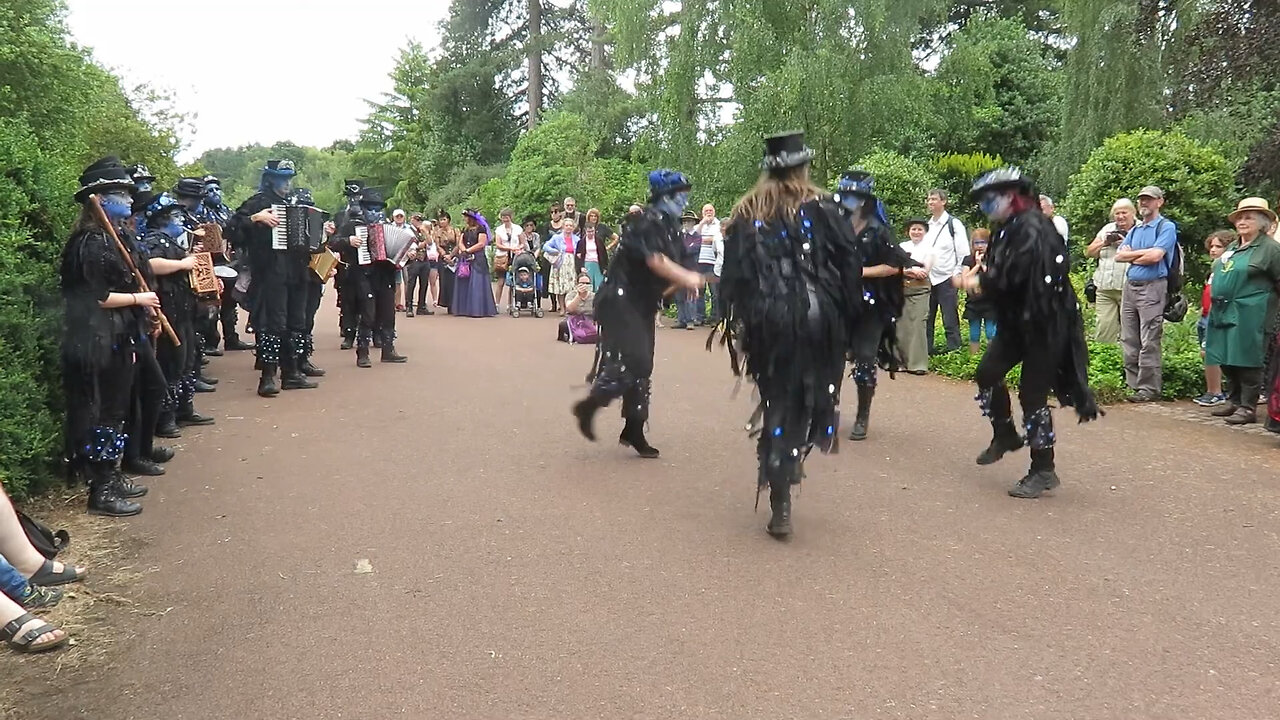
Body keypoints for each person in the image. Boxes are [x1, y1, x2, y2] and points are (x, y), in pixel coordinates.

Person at [712, 132, 864, 538]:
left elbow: (735, 280)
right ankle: (791, 456)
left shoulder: (745, 213)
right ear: (803, 168)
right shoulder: (824, 208)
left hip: (771, 322)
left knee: (777, 401)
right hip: (819, 319)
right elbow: (848, 265)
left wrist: (743, 324)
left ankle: (780, 488)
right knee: (816, 399)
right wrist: (849, 324)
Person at [956, 167, 1099, 499]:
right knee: (987, 373)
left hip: (1048, 323)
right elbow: (1005, 274)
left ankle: (1043, 469)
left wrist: (978, 283)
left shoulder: (1035, 227)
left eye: (990, 199)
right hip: (1018, 322)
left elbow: (1022, 274)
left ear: (1010, 196)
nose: (985, 206)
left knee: (1032, 395)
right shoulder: (1006, 229)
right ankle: (1005, 434)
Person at [572, 169, 703, 459]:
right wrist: (686, 278)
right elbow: (656, 261)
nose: (685, 200)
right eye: (680, 194)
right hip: (619, 299)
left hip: (642, 302)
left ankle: (634, 428)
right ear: (665, 196)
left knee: (643, 367)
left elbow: (672, 264)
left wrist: (684, 279)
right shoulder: (646, 222)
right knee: (637, 361)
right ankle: (590, 405)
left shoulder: (671, 227)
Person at [60, 157, 152, 517]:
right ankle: (100, 489)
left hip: (120, 335)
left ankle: (111, 476)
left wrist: (143, 309)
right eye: (120, 193)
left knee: (116, 408)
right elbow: (96, 297)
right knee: (101, 409)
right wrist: (138, 299)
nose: (129, 200)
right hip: (96, 339)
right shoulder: (89, 243)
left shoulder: (121, 235)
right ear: (99, 199)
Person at [835, 171, 919, 442]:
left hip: (872, 306)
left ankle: (862, 415)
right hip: (839, 303)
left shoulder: (878, 229)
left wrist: (860, 271)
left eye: (854, 195)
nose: (848, 199)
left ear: (864, 200)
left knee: (865, 358)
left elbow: (894, 266)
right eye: (844, 194)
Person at [226, 160, 320, 395]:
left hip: (297, 270)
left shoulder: (294, 204)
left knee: (297, 320)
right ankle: (267, 377)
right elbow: (231, 228)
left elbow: (311, 239)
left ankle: (293, 373)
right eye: (282, 178)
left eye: (289, 178)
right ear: (270, 179)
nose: (287, 183)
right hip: (270, 271)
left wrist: (321, 233)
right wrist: (254, 219)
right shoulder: (258, 202)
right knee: (273, 322)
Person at [136, 193, 217, 439]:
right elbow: (150, 265)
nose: (179, 218)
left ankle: (184, 409)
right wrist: (184, 264)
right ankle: (165, 418)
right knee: (171, 363)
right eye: (174, 215)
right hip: (167, 311)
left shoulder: (171, 240)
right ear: (161, 218)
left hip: (183, 310)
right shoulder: (152, 239)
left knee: (186, 360)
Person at [1204, 199, 1280, 425]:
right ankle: (1233, 399)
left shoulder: (1271, 249)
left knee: (1248, 357)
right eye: (1240, 217)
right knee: (1226, 355)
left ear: (1263, 222)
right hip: (1224, 309)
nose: (1242, 221)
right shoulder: (1233, 248)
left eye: (1249, 217)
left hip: (1252, 311)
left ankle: (1248, 406)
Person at [1114, 186, 1179, 402]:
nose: (1144, 203)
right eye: (1141, 200)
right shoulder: (1135, 230)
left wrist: (1132, 256)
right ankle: (1133, 385)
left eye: (1149, 200)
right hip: (1131, 286)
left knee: (1150, 338)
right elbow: (1118, 256)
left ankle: (1149, 389)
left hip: (1153, 286)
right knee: (1129, 337)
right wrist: (1140, 255)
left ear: (1160, 202)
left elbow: (1156, 256)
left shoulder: (1166, 227)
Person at [334, 189, 409, 364]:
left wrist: (407, 257)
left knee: (388, 313)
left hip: (384, 275)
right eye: (370, 209)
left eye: (377, 209)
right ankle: (363, 353)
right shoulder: (353, 225)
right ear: (363, 209)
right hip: (362, 275)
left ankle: (388, 350)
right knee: (368, 313)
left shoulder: (388, 228)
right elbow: (333, 242)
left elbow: (398, 256)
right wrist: (349, 241)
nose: (374, 213)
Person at [924, 188, 969, 355]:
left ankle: (954, 350)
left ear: (943, 201)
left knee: (949, 317)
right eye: (929, 199)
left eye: (934, 199)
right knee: (927, 317)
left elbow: (963, 252)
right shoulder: (927, 225)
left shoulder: (953, 224)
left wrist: (956, 273)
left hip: (947, 277)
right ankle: (926, 351)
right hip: (928, 278)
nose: (930, 202)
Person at [1085, 198, 1137, 343]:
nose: (1120, 216)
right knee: (1104, 329)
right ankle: (1104, 359)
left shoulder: (1141, 229)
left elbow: (1151, 253)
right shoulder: (1107, 229)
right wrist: (1105, 242)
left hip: (1129, 288)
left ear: (1133, 213)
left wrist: (1127, 244)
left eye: (1124, 213)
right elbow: (1089, 252)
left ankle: (1129, 361)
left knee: (1131, 330)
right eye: (1117, 213)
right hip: (1105, 287)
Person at [1194, 231, 1234, 407]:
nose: (1213, 250)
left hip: (1216, 316)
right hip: (1205, 315)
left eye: (1218, 246)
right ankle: (1213, 390)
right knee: (1206, 354)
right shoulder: (1213, 270)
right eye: (1211, 246)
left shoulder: (1227, 269)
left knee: (1211, 353)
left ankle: (1216, 392)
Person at [897, 218, 935, 374]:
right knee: (901, 324)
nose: (916, 232)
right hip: (900, 289)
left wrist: (907, 270)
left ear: (925, 232)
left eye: (920, 229)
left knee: (919, 324)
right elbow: (894, 266)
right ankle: (898, 362)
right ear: (908, 231)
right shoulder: (901, 247)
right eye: (913, 229)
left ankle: (917, 365)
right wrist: (910, 271)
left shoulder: (930, 248)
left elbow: (924, 271)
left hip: (920, 290)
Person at [451, 209, 499, 318]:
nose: (464, 219)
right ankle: (462, 309)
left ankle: (478, 309)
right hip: (465, 259)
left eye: (466, 216)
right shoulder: (465, 229)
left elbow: (481, 243)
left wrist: (469, 250)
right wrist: (463, 250)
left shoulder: (480, 229)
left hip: (478, 259)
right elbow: (460, 242)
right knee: (464, 280)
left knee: (477, 282)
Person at [961, 228, 997, 354]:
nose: (980, 246)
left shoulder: (994, 258)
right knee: (974, 333)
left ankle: (992, 358)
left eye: (983, 242)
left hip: (990, 301)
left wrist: (982, 265)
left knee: (991, 332)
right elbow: (965, 279)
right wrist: (976, 265)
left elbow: (994, 277)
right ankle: (973, 359)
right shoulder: (968, 259)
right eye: (977, 243)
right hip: (974, 301)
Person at [543, 216, 580, 313]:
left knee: (571, 287)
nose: (569, 227)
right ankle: (562, 308)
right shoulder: (557, 238)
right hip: (560, 263)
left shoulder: (577, 239)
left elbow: (580, 250)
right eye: (567, 225)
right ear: (563, 227)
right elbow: (545, 246)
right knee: (561, 287)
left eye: (571, 226)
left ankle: (569, 307)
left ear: (573, 227)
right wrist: (554, 251)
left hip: (572, 264)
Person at [695, 203, 724, 325]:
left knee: (715, 292)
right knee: (699, 291)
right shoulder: (698, 225)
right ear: (702, 213)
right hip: (699, 262)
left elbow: (719, 238)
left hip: (713, 262)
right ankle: (700, 317)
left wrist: (703, 239)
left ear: (714, 212)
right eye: (706, 210)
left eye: (710, 210)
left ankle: (714, 318)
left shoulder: (719, 225)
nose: (708, 212)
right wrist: (702, 223)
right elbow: (692, 238)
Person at [574, 207, 616, 290]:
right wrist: (580, 267)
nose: (593, 218)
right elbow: (578, 256)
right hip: (587, 264)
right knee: (588, 287)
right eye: (591, 216)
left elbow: (605, 255)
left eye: (595, 216)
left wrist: (608, 247)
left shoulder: (600, 238)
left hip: (598, 264)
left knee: (599, 287)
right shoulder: (581, 241)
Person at [674, 210, 702, 330]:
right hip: (679, 269)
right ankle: (681, 320)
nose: (686, 223)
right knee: (679, 296)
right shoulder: (679, 236)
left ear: (694, 222)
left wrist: (683, 249)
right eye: (684, 221)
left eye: (689, 221)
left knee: (690, 296)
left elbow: (691, 250)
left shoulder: (697, 236)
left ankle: (690, 320)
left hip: (691, 269)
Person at [404, 216, 437, 317]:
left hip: (424, 259)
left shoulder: (423, 231)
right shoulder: (408, 231)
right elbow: (415, 245)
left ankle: (421, 306)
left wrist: (425, 232)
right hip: (414, 260)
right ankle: (409, 306)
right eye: (417, 220)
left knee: (424, 284)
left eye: (421, 221)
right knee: (411, 284)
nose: (419, 222)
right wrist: (423, 243)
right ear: (412, 220)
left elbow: (430, 242)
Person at [492, 207, 524, 311]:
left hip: (515, 256)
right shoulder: (499, 229)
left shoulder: (518, 228)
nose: (505, 219)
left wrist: (518, 248)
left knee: (513, 281)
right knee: (501, 281)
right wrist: (510, 248)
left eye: (507, 217)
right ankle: (497, 304)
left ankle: (511, 304)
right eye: (503, 217)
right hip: (502, 256)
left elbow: (522, 242)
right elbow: (498, 244)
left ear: (511, 217)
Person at [558, 271, 599, 344]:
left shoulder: (595, 296)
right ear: (577, 284)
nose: (584, 285)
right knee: (562, 324)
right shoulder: (571, 295)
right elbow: (570, 309)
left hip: (589, 321)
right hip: (574, 321)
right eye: (582, 283)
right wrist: (579, 296)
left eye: (587, 283)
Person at [435, 210, 461, 313]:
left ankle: (455, 304)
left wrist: (451, 255)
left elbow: (458, 244)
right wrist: (444, 255)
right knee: (444, 281)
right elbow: (437, 245)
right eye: (440, 220)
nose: (442, 222)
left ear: (448, 220)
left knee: (454, 281)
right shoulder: (437, 232)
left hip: (454, 256)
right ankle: (447, 303)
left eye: (444, 219)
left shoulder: (455, 230)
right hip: (443, 258)